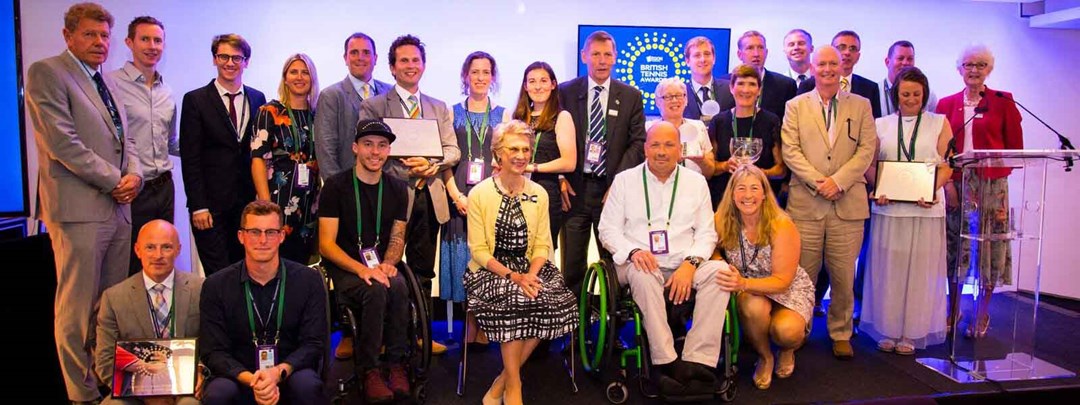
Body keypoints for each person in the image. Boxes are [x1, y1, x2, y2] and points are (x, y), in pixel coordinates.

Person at [25, 3, 142, 403]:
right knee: (76, 312)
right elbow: (62, 144)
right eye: (90, 34)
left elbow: (126, 143)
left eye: (105, 35)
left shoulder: (104, 81)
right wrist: (115, 181)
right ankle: (81, 393)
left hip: (117, 210)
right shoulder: (47, 73)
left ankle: (109, 384)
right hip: (78, 212)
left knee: (107, 309)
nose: (99, 42)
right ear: (68, 35)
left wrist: (136, 177)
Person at [598, 121, 729, 395]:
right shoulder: (625, 181)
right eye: (655, 144)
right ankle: (666, 361)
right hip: (636, 263)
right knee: (644, 274)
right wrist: (633, 252)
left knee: (720, 273)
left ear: (679, 150)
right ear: (645, 148)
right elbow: (607, 229)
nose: (661, 151)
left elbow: (707, 234)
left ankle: (697, 360)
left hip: (684, 262)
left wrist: (690, 265)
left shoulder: (696, 182)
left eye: (669, 145)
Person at [358, 34, 458, 355]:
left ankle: (420, 336)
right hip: (389, 198)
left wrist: (432, 164)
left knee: (422, 271)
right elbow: (369, 152)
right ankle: (388, 339)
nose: (410, 66)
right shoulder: (373, 105)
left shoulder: (438, 107)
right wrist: (405, 164)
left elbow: (452, 149)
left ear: (424, 66)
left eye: (416, 60)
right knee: (385, 269)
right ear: (391, 67)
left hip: (429, 197)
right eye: (403, 60)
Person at [465, 120, 577, 405]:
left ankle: (503, 379)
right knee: (517, 299)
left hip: (532, 267)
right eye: (513, 148)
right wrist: (515, 277)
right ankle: (515, 385)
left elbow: (542, 244)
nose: (521, 155)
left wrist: (531, 274)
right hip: (492, 270)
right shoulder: (479, 193)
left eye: (526, 149)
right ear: (499, 154)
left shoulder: (538, 193)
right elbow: (478, 250)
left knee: (553, 301)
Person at [780, 45, 877, 359]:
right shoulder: (795, 106)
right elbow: (790, 150)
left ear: (842, 66)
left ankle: (840, 333)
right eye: (821, 64)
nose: (827, 69)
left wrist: (839, 182)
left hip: (847, 204)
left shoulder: (861, 105)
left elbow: (866, 150)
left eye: (833, 63)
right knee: (802, 275)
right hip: (806, 203)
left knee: (843, 276)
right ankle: (800, 329)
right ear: (812, 66)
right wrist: (819, 182)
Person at [318, 119, 412, 403]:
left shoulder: (397, 188)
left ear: (389, 151)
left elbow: (398, 238)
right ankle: (369, 369)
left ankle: (396, 363)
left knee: (396, 285)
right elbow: (326, 244)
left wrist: (388, 263)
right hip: (347, 266)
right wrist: (362, 269)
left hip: (380, 264)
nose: (375, 152)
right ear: (355, 148)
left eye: (382, 146)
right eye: (368, 144)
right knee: (375, 288)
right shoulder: (335, 187)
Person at [199, 200, 328, 405]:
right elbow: (213, 351)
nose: (263, 240)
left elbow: (314, 343)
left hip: (288, 372)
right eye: (254, 232)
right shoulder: (216, 286)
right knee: (218, 394)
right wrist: (253, 380)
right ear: (241, 236)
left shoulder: (308, 281)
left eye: (270, 232)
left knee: (308, 386)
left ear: (282, 236)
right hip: (240, 376)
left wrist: (277, 373)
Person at [863, 67, 953, 355]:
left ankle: (912, 332)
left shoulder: (940, 122)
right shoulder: (881, 124)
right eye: (905, 94)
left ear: (924, 93)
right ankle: (888, 328)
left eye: (916, 93)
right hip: (888, 209)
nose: (911, 99)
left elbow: (947, 165)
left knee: (920, 271)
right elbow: (869, 163)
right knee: (889, 270)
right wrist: (877, 187)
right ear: (895, 95)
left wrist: (930, 191)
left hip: (926, 210)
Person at [935, 45, 1023, 339]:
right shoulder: (946, 104)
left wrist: (993, 180)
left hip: (992, 187)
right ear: (959, 69)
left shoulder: (1003, 102)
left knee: (990, 250)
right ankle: (953, 308)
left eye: (981, 64)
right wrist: (948, 185)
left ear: (990, 69)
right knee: (954, 249)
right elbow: (940, 152)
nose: (974, 70)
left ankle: (982, 312)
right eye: (968, 64)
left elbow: (1015, 149)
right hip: (957, 185)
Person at [558, 30, 646, 296]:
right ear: (584, 56)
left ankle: (612, 331)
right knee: (572, 264)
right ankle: (573, 330)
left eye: (607, 54)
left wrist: (618, 183)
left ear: (616, 57)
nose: (602, 60)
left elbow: (638, 142)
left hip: (612, 192)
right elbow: (552, 137)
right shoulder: (565, 92)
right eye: (596, 54)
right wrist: (560, 178)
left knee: (614, 263)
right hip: (574, 190)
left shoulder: (630, 95)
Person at [714, 165, 813, 390]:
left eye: (754, 188)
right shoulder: (722, 219)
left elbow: (783, 281)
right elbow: (708, 245)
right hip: (750, 289)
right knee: (751, 305)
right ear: (732, 193)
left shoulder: (782, 225)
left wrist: (743, 283)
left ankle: (787, 349)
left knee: (786, 332)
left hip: (786, 288)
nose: (747, 195)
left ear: (764, 193)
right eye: (741, 188)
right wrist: (719, 260)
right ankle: (765, 356)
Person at [180, 33, 267, 275]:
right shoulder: (195, 100)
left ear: (246, 62)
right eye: (223, 56)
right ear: (214, 60)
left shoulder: (257, 98)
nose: (230, 63)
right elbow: (191, 158)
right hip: (210, 209)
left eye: (237, 58)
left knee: (246, 271)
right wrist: (198, 206)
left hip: (246, 205)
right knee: (219, 275)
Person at [96, 220, 202, 405]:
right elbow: (105, 360)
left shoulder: (200, 289)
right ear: (137, 250)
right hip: (135, 391)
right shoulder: (114, 298)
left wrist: (199, 372)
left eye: (167, 247)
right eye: (150, 247)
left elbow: (214, 345)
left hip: (187, 388)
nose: (158, 255)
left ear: (178, 250)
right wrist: (145, 391)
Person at [440, 52, 506, 344]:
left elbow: (506, 160)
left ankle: (482, 321)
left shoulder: (503, 114)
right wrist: (455, 195)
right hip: (458, 197)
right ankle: (469, 323)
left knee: (486, 258)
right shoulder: (450, 112)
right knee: (464, 260)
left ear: (493, 77)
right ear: (465, 76)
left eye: (486, 72)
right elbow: (445, 161)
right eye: (475, 72)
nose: (480, 77)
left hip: (490, 198)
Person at [108, 16, 178, 275]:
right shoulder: (111, 85)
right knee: (132, 263)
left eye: (158, 40)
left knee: (162, 263)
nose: (152, 46)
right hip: (132, 191)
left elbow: (171, 142)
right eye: (145, 39)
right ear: (129, 42)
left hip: (164, 188)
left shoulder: (167, 91)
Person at [251, 53, 321, 264]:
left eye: (305, 72)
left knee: (302, 265)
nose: (299, 77)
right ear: (285, 78)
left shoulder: (318, 114)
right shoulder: (269, 111)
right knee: (275, 262)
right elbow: (258, 159)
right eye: (294, 72)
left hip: (310, 203)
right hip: (277, 199)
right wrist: (265, 205)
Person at [510, 61, 577, 250]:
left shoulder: (562, 117)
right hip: (515, 191)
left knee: (541, 253)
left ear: (553, 84)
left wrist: (532, 167)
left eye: (543, 80)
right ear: (525, 86)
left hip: (544, 192)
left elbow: (569, 162)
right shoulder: (518, 117)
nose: (537, 86)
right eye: (531, 81)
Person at [315, 32, 393, 181]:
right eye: (354, 52)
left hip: (387, 187)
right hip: (348, 188)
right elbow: (326, 151)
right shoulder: (331, 95)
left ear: (375, 58)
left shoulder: (390, 92)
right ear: (345, 58)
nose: (360, 58)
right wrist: (338, 190)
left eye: (366, 52)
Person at [707, 64, 786, 208]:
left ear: (759, 90)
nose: (746, 90)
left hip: (761, 202)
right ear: (731, 88)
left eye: (752, 84)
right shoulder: (718, 122)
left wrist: (760, 173)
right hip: (725, 202)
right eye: (741, 84)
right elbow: (710, 168)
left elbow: (781, 169)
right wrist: (725, 166)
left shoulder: (771, 121)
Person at [798, 30, 882, 119]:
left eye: (852, 48)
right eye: (842, 47)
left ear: (858, 56)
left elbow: (873, 124)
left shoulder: (870, 88)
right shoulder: (807, 85)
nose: (847, 53)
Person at [647, 77, 714, 177]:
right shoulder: (648, 129)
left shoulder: (699, 127)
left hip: (692, 188)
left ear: (686, 100)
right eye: (668, 96)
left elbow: (710, 173)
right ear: (657, 102)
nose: (674, 100)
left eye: (679, 95)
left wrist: (701, 161)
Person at [733, 30, 798, 121]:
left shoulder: (785, 85)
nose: (756, 54)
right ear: (739, 54)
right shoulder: (725, 83)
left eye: (760, 48)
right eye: (750, 48)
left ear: (766, 52)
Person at [681, 36, 734, 121]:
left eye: (707, 54)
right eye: (697, 55)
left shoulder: (729, 89)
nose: (703, 59)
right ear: (687, 61)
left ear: (714, 58)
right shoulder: (680, 93)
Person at [880, 41, 938, 116]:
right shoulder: (876, 91)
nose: (905, 63)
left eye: (910, 59)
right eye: (900, 58)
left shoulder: (929, 95)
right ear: (887, 62)